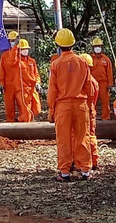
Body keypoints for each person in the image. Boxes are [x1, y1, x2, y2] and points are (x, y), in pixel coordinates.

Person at [47, 29, 94, 182]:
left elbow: (52, 91)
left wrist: (51, 110)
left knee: (63, 139)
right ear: (73, 44)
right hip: (81, 105)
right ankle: (85, 170)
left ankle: (65, 172)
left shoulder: (55, 64)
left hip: (63, 106)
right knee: (82, 137)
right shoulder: (83, 62)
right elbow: (89, 87)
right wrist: (90, 104)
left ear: (58, 45)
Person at [0, 31, 24, 122]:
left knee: (23, 107)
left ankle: (25, 126)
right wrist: (2, 83)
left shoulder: (21, 54)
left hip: (20, 85)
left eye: (14, 40)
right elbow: (2, 71)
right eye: (11, 40)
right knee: (9, 108)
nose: (13, 42)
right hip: (8, 85)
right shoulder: (5, 56)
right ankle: (10, 125)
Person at [81, 53, 99, 170]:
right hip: (90, 110)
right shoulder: (93, 81)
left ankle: (85, 162)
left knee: (83, 137)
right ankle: (93, 160)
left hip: (84, 110)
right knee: (90, 136)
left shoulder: (86, 81)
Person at [89, 38, 113, 119]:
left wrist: (110, 84)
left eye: (99, 46)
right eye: (96, 46)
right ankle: (92, 117)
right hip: (93, 83)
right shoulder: (90, 58)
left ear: (102, 47)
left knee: (105, 101)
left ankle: (106, 117)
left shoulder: (106, 59)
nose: (97, 48)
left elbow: (109, 72)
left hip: (103, 83)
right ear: (93, 48)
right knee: (92, 101)